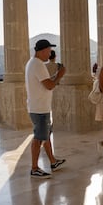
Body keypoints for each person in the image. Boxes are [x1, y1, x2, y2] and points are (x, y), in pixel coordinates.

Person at [25, 39, 66, 179]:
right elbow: (49, 85)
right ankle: (34, 168)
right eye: (48, 51)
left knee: (46, 136)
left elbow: (46, 82)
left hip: (39, 107)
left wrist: (56, 76)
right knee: (38, 138)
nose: (50, 53)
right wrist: (60, 75)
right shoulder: (38, 65)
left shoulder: (34, 63)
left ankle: (53, 162)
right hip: (39, 109)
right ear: (42, 51)